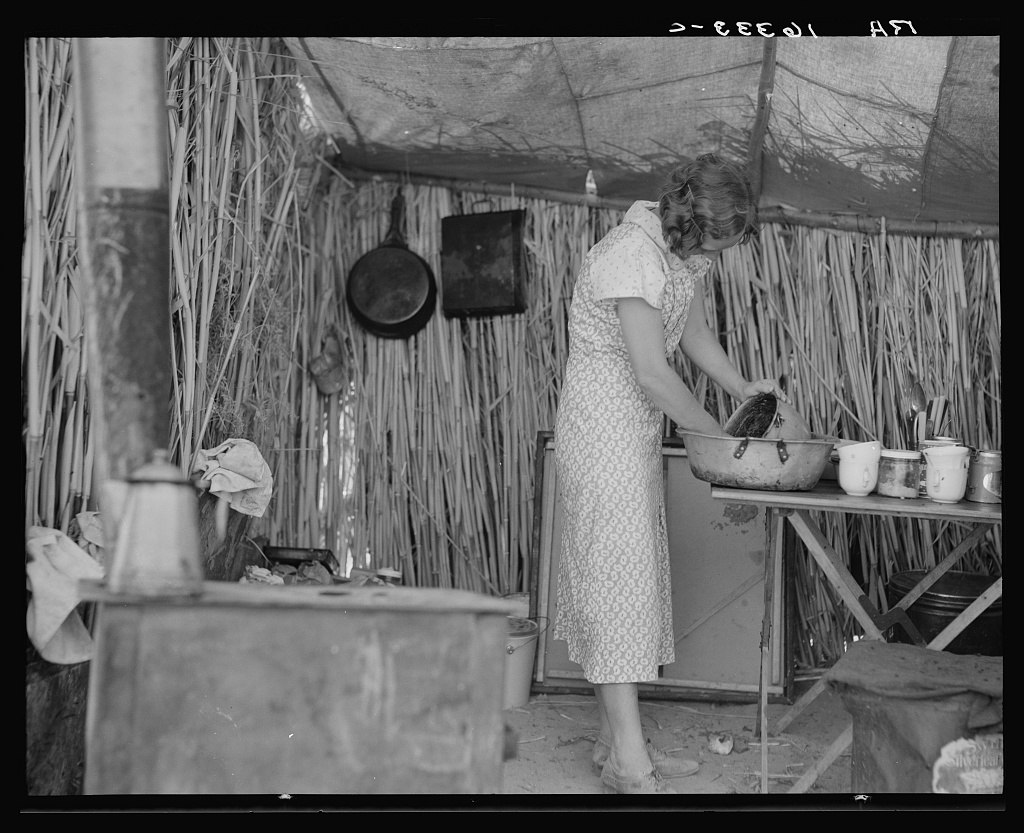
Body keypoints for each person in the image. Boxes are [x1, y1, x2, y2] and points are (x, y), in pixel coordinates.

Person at [552, 153, 790, 795]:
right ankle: (631, 766)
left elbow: (692, 333)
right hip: (602, 429)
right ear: (693, 221)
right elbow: (653, 373)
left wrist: (739, 386)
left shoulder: (677, 252)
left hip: (633, 428)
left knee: (628, 579)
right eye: (721, 239)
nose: (723, 251)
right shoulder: (633, 253)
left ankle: (614, 746)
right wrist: (711, 433)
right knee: (613, 582)